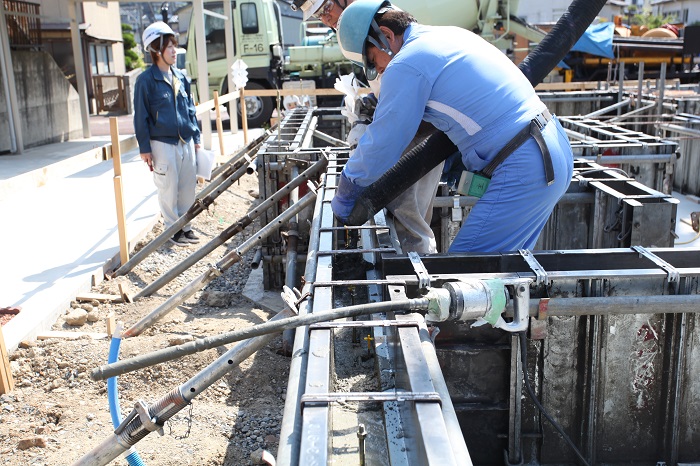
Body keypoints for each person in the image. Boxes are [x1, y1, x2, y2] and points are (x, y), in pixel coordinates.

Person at [333, 0, 574, 252]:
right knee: (506, 275)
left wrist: (348, 187)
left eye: (371, 62)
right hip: (551, 151)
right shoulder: (450, 35)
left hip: (524, 165)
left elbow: (385, 139)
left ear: (386, 35)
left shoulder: (406, 63)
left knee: (463, 276)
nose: (377, 71)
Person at [293, 0, 444, 254]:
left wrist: (353, 177)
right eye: (318, 16)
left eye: (326, 8)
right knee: (404, 214)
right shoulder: (365, 30)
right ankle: (409, 268)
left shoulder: (381, 25)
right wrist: (373, 101)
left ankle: (416, 279)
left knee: (410, 218)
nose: (325, 19)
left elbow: (401, 98)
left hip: (416, 131)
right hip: (409, 126)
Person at [134, 21, 201, 247]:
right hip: (162, 143)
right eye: (169, 46)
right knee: (168, 188)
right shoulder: (145, 81)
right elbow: (140, 116)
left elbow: (190, 110)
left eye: (174, 46)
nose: (174, 51)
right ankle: (172, 232)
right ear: (156, 50)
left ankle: (186, 227)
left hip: (186, 140)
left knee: (187, 186)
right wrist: (144, 148)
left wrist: (197, 139)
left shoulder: (181, 77)